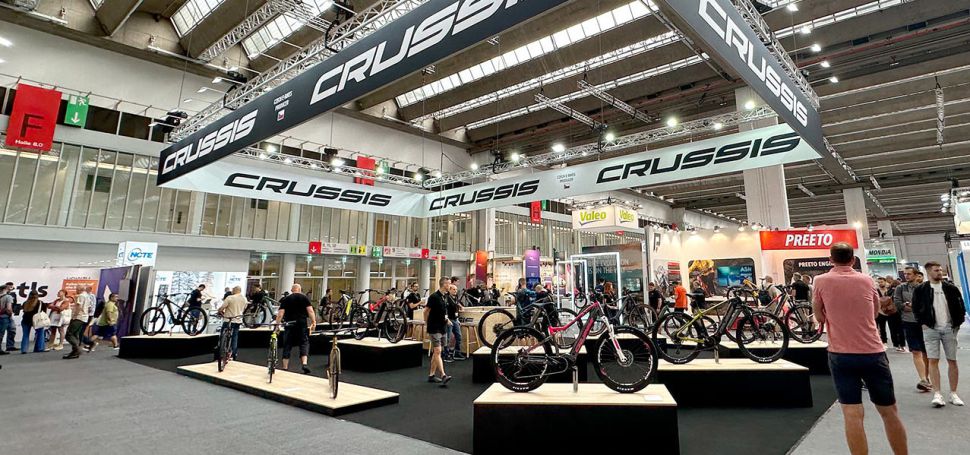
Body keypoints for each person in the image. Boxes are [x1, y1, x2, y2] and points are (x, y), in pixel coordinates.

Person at [813, 242, 907, 455]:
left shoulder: (820, 281)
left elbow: (819, 316)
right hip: (872, 352)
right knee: (889, 411)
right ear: (853, 260)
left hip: (840, 354)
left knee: (852, 413)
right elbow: (874, 313)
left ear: (831, 260)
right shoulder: (867, 280)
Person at [911, 261, 966, 408]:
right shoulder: (921, 290)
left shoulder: (951, 288)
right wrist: (923, 324)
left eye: (940, 270)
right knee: (933, 360)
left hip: (949, 328)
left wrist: (957, 324)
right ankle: (937, 393)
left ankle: (953, 393)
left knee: (952, 360)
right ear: (928, 272)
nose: (939, 272)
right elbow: (916, 308)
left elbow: (961, 306)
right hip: (931, 329)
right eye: (936, 270)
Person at [894, 267, 931, 392]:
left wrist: (911, 305)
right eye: (905, 274)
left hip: (924, 323)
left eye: (909, 274)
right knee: (916, 351)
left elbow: (927, 305)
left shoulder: (924, 288)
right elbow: (898, 304)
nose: (906, 276)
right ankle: (923, 379)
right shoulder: (900, 288)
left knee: (926, 352)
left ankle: (927, 377)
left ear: (916, 275)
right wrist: (908, 306)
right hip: (908, 322)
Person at [275, 284, 316, 374]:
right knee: (304, 342)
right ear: (300, 290)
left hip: (289, 323)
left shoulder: (286, 299)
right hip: (301, 323)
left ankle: (285, 367)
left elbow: (280, 314)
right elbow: (310, 311)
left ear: (292, 290)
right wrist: (313, 321)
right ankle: (304, 364)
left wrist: (277, 325)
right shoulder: (304, 298)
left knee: (287, 344)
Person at [424, 277, 452, 387]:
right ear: (444, 284)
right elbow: (426, 311)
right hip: (434, 327)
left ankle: (431, 375)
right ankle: (443, 375)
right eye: (449, 283)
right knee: (438, 351)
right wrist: (426, 323)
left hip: (442, 327)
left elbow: (443, 312)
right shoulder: (434, 297)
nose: (450, 285)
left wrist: (447, 320)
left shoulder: (445, 296)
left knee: (437, 353)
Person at [218, 286, 248, 361]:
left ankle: (220, 350)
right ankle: (233, 354)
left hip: (228, 319)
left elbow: (222, 307)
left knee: (222, 335)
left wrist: (219, 311)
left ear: (235, 290)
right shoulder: (244, 299)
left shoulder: (230, 297)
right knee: (235, 336)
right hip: (238, 320)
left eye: (233, 290)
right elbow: (244, 308)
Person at [64, 287, 92, 359]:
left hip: (78, 317)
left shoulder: (81, 296)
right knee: (76, 334)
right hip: (84, 318)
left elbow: (79, 306)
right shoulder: (88, 296)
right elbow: (90, 308)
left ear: (80, 290)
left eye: (77, 289)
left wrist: (74, 316)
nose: (76, 290)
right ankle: (75, 352)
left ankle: (77, 350)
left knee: (69, 334)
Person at [444, 283, 464, 361]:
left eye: (456, 289)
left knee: (459, 336)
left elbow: (456, 309)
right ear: (449, 290)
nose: (455, 291)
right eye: (453, 289)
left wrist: (457, 319)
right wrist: (447, 320)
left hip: (455, 319)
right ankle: (446, 354)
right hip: (449, 320)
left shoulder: (455, 298)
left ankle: (457, 353)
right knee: (448, 338)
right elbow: (444, 310)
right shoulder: (446, 298)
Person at [0, 283, 14, 355]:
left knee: (1, 332)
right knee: (1, 333)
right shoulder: (8, 297)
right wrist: (10, 313)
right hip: (5, 316)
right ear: (5, 289)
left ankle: (9, 346)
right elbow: (9, 308)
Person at [3, 282, 17, 352]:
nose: (11, 288)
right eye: (9, 286)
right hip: (2, 314)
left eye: (11, 286)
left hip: (9, 314)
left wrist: (12, 311)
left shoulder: (13, 295)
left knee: (12, 329)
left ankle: (10, 346)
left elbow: (14, 304)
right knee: (1, 332)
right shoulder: (2, 294)